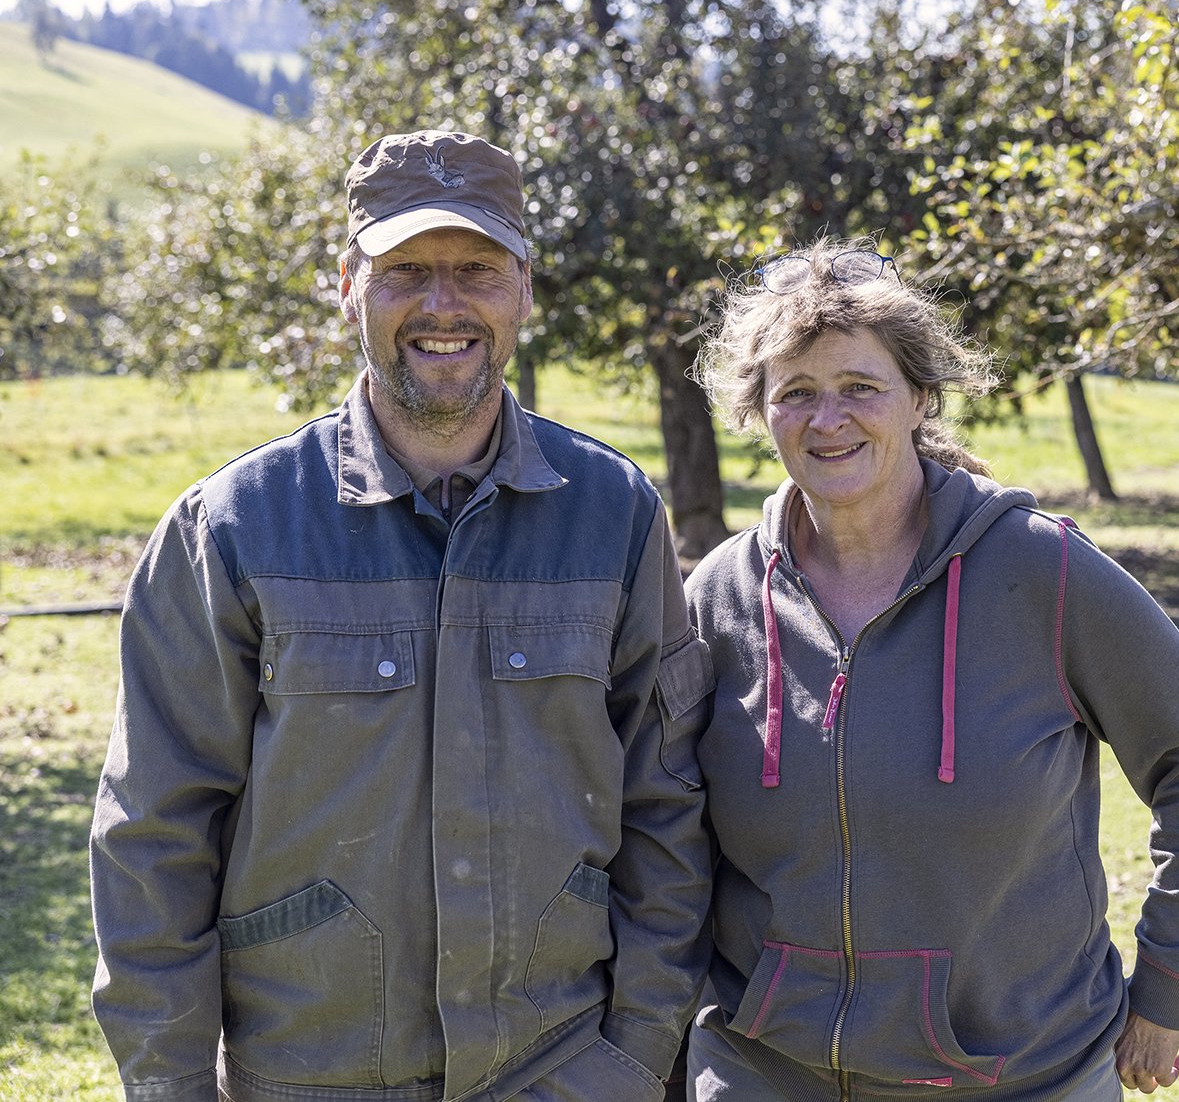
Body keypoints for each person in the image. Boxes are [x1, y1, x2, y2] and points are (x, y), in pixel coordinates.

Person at [90, 129, 713, 1102]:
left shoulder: (614, 512)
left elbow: (666, 805)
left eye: (476, 269)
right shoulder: (234, 526)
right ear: (348, 284)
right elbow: (152, 835)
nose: (442, 303)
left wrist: (632, 1053)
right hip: (308, 1076)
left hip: (562, 1071)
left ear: (524, 290)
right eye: (405, 270)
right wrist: (171, 1085)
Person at [682, 238, 1179, 1100]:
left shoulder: (1041, 572)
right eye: (794, 393)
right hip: (764, 1070)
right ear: (757, 411)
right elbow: (659, 825)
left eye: (860, 388)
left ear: (918, 397)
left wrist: (1168, 990)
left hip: (1022, 1073)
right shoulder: (720, 594)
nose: (826, 418)